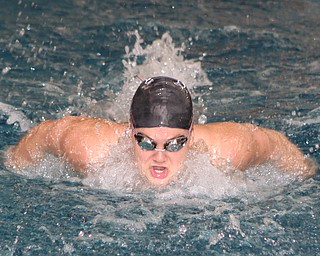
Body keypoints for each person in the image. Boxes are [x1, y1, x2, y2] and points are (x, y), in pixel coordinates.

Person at [4, 76, 318, 186]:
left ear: (191, 136)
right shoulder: (91, 150)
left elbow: (274, 144)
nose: (159, 157)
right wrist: (13, 163)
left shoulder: (227, 151)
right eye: (146, 142)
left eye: (174, 144)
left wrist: (306, 173)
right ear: (130, 132)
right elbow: (47, 134)